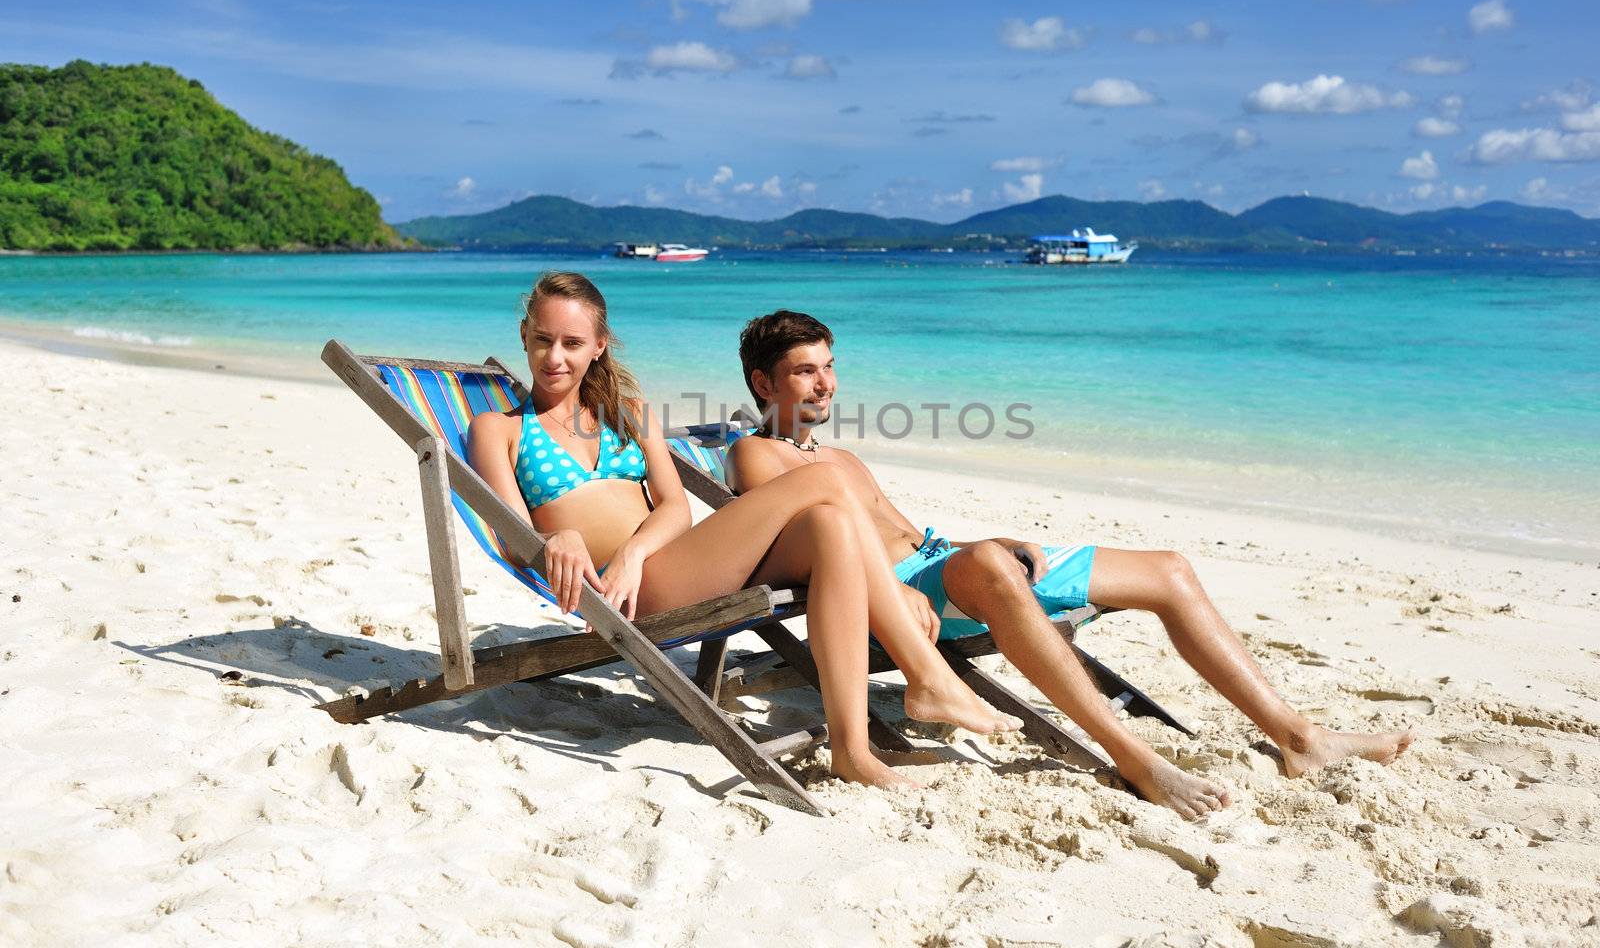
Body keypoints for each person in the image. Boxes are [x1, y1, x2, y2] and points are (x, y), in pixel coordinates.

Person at [727, 309, 1414, 819]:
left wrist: (988, 537)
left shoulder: (841, 458)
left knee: (1169, 570)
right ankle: (1136, 759)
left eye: (829, 365)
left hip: (941, 568)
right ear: (763, 381)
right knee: (993, 571)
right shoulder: (758, 455)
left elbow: (908, 536)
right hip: (894, 605)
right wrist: (903, 591)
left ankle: (1301, 738)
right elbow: (815, 550)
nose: (826, 383)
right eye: (804, 371)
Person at [466, 272, 1021, 790]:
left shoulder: (628, 414)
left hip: (668, 562)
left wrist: (635, 551)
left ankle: (853, 751)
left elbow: (674, 509)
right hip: (629, 597)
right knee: (824, 477)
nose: (555, 356)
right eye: (543, 340)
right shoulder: (499, 429)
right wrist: (556, 540)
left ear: (599, 345)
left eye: (572, 342)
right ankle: (928, 676)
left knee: (828, 522)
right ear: (524, 335)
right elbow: (510, 528)